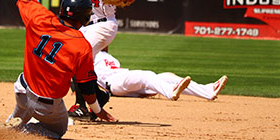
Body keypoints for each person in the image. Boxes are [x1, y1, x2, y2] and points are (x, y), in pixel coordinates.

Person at [4, 0, 116, 139]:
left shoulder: (40, 18)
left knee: (19, 114)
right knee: (58, 130)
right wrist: (98, 111)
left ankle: (10, 126)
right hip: (44, 105)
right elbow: (86, 87)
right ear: (85, 18)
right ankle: (24, 130)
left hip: (22, 89)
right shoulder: (81, 46)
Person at [94, 50, 228, 101]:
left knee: (167, 77)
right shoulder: (89, 53)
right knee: (146, 76)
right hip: (113, 83)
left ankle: (208, 91)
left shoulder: (103, 52)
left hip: (123, 78)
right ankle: (170, 92)